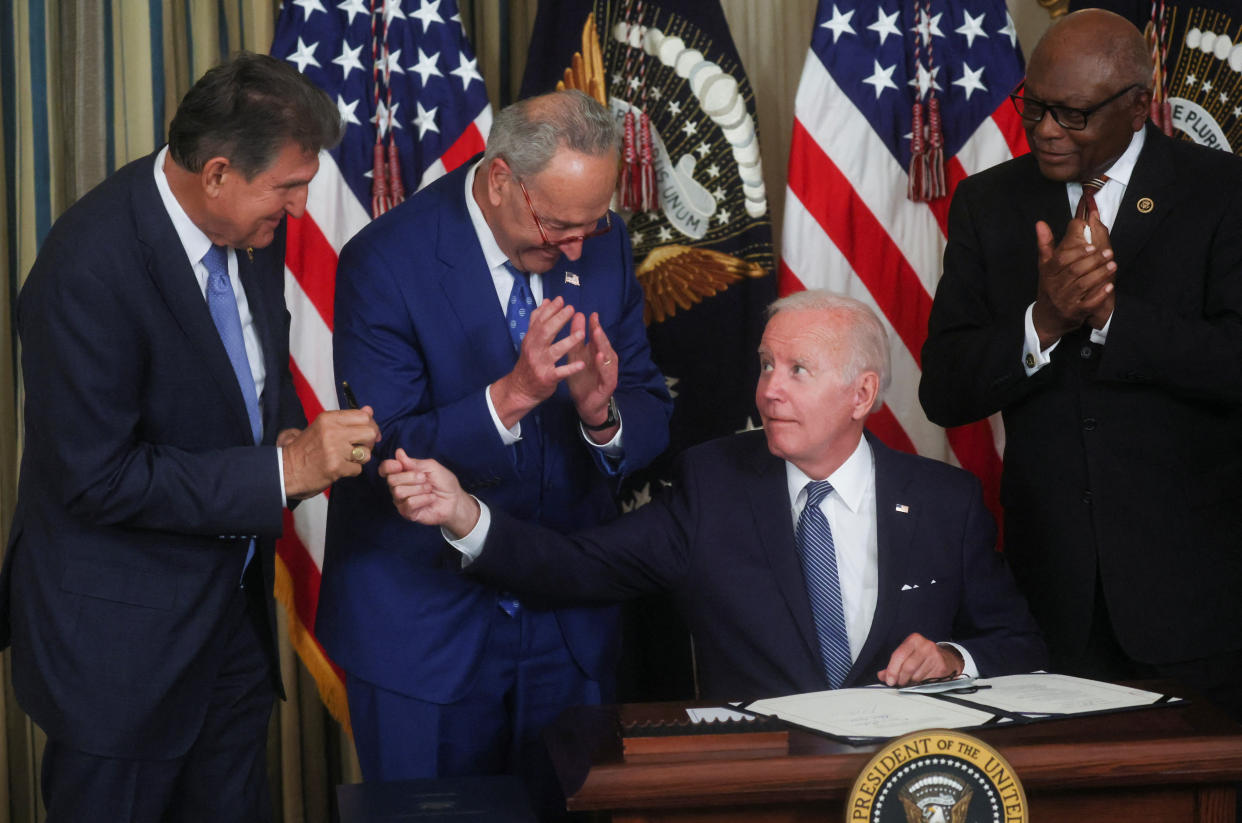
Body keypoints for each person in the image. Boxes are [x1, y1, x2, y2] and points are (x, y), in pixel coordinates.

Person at [1, 52, 380, 822]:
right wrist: (281, 473)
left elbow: (235, 386)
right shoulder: (87, 269)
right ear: (215, 175)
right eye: (289, 186)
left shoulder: (254, 228)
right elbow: (97, 479)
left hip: (228, 631)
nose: (303, 209)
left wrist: (278, 441)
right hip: (119, 653)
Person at [383, 291, 1047, 701]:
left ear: (862, 395)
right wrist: (465, 514)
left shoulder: (943, 500)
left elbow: (1019, 642)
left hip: (901, 786)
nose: (768, 391)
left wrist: (953, 657)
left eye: (798, 370)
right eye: (765, 365)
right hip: (758, 782)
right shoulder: (716, 483)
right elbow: (579, 565)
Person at [318, 89, 671, 789]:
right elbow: (379, 450)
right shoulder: (384, 261)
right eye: (559, 225)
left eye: (591, 226)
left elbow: (650, 405)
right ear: (502, 178)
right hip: (425, 628)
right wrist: (513, 396)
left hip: (569, 626)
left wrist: (603, 417)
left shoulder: (602, 247)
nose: (576, 245)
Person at [920, 9, 1242, 718]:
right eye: (1033, 106)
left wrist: (1110, 317)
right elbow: (944, 386)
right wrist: (1045, 320)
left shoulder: (1221, 192)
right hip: (1050, 599)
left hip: (1196, 603)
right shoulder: (989, 203)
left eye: (1070, 114)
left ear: (1136, 106)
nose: (1044, 130)